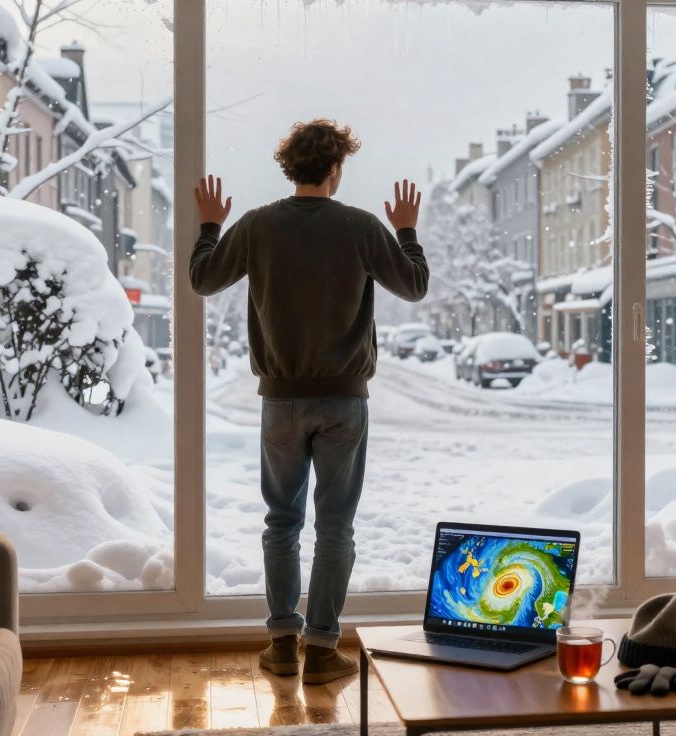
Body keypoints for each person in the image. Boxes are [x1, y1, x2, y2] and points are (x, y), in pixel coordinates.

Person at [190, 119, 428, 684]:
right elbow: (414, 285)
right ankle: (322, 650)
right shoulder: (360, 226)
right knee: (335, 526)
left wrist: (210, 225)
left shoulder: (257, 225)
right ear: (335, 169)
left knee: (281, 521)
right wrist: (407, 232)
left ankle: (281, 645)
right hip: (344, 402)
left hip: (281, 401)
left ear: (289, 167)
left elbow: (202, 279)